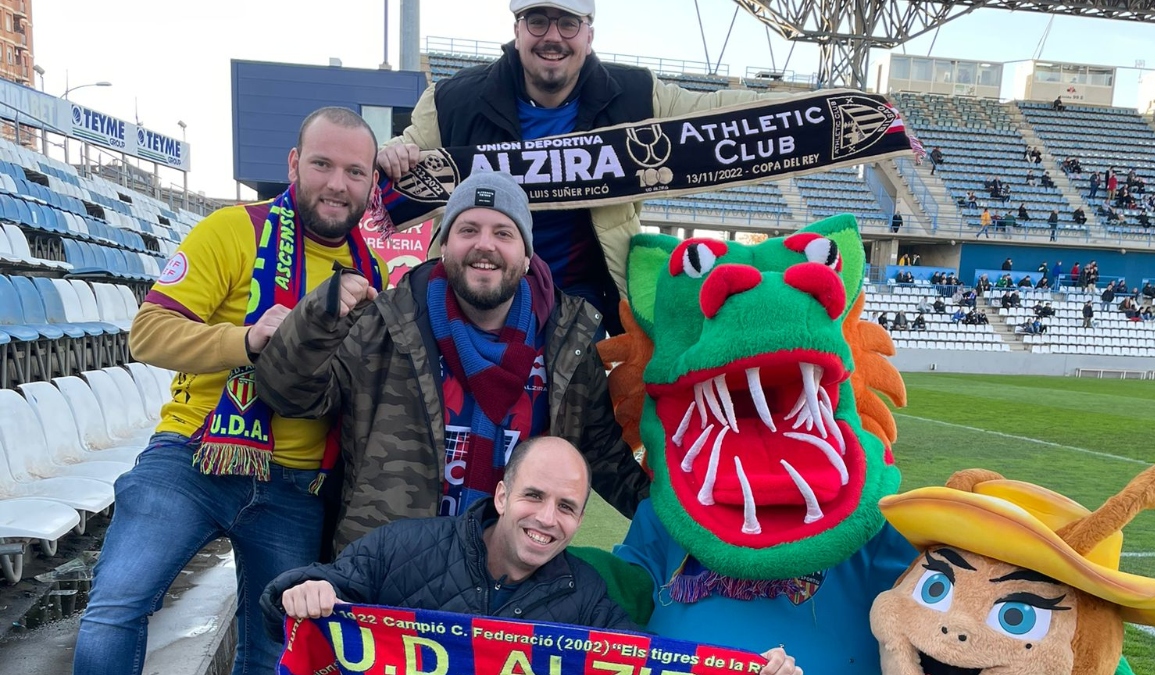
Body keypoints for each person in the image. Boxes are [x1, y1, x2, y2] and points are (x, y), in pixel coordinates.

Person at [72, 108, 389, 675]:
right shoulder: (231, 229)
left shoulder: (372, 270)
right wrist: (247, 339)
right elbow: (147, 334)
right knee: (116, 608)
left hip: (296, 484)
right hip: (193, 457)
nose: (338, 184)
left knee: (275, 648)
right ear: (294, 163)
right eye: (322, 164)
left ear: (371, 182)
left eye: (355, 171)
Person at [255, 170, 650, 554]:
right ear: (444, 246)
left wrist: (686, 518)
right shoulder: (386, 322)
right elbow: (290, 395)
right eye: (468, 230)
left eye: (503, 233)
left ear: (527, 255)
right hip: (392, 571)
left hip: (511, 577)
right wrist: (316, 318)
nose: (485, 245)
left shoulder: (567, 340)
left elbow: (602, 455)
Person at [377, 0, 790, 339]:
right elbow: (409, 147)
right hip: (478, 285)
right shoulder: (453, 99)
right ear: (517, 31)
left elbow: (713, 115)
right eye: (538, 22)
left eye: (569, 24)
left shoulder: (635, 94)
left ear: (588, 35)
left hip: (581, 298)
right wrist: (392, 154)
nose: (553, 37)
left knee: (570, 424)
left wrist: (806, 114)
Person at [261, 437, 801, 675]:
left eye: (566, 507)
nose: (547, 519)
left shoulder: (586, 596)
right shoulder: (404, 546)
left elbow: (656, 665)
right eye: (533, 497)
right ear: (501, 495)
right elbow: (292, 605)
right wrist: (303, 590)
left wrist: (747, 672)